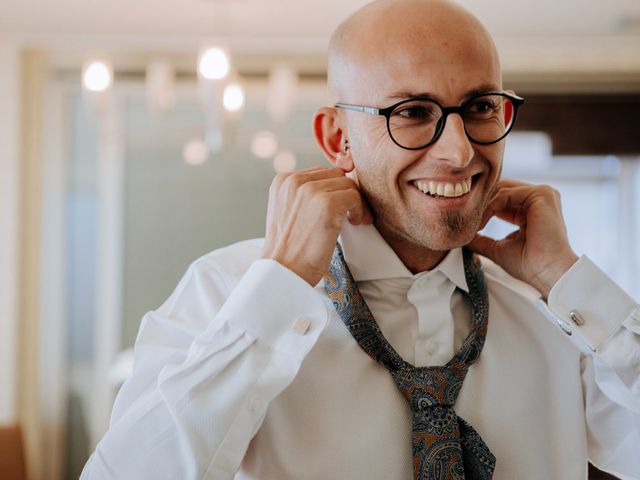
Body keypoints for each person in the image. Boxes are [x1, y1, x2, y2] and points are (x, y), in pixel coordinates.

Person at [81, 0, 640, 479]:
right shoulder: (225, 294)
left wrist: (566, 280)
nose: (460, 152)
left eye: (480, 108)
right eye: (413, 112)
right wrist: (278, 289)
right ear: (337, 138)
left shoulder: (562, 316)